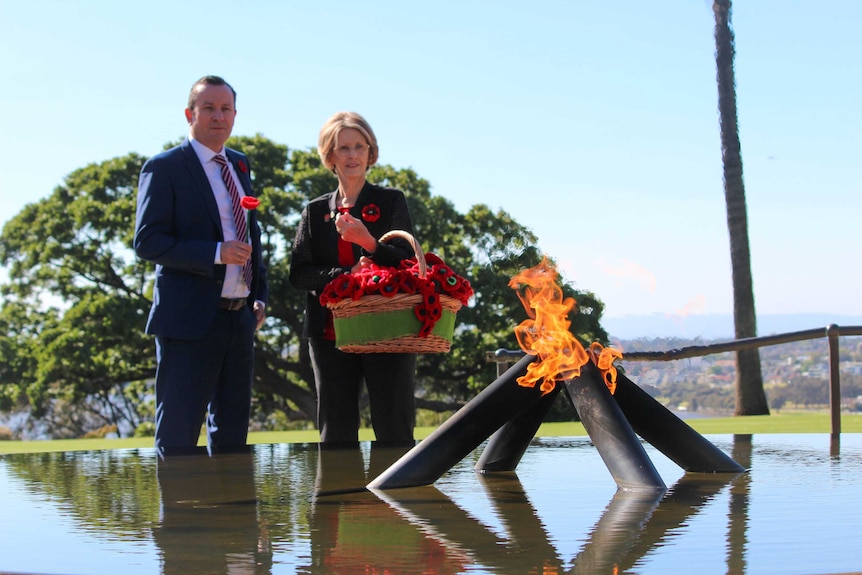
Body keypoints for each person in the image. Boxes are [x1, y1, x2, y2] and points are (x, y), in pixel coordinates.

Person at [134, 75, 267, 456]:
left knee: (232, 441)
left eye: (225, 109)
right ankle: (177, 518)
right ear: (189, 114)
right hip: (187, 323)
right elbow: (147, 242)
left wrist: (257, 296)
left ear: (235, 115)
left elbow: (252, 239)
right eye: (208, 108)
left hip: (239, 320)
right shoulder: (165, 167)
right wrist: (215, 252)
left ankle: (232, 517)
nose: (218, 116)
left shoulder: (239, 165)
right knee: (178, 438)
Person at [289, 111, 417, 446]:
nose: (352, 155)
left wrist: (369, 244)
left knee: (394, 429)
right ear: (330, 155)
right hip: (330, 335)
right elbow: (298, 274)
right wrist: (345, 275)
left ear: (370, 152)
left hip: (387, 330)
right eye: (343, 147)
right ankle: (337, 498)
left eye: (359, 146)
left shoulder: (391, 201)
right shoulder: (315, 212)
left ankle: (398, 499)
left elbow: (409, 263)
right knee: (336, 432)